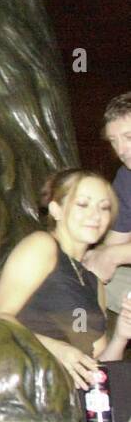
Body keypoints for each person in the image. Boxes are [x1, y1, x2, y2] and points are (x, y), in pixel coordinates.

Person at [0, 170, 128, 390]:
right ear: (56, 210)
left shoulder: (94, 283)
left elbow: (100, 366)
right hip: (31, 379)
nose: (96, 215)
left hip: (76, 395)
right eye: (83, 204)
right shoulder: (42, 246)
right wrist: (58, 349)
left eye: (104, 207)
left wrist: (121, 336)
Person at [87, 94, 131, 313]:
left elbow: (115, 253)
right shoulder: (126, 178)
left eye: (129, 137)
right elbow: (114, 243)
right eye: (114, 141)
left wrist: (115, 255)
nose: (121, 150)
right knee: (82, 275)